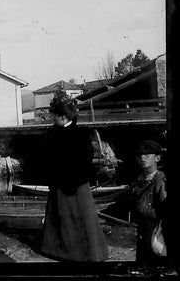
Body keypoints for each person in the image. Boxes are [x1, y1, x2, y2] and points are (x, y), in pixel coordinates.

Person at [40, 90, 109, 262]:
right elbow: (48, 159)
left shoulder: (80, 135)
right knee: (61, 220)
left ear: (63, 117)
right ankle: (59, 252)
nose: (52, 118)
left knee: (82, 221)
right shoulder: (52, 134)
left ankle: (87, 253)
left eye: (54, 115)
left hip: (76, 186)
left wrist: (70, 180)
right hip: (58, 185)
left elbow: (85, 161)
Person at [129, 140, 167, 265]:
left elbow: (165, 205)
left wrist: (160, 227)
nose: (142, 158)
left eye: (147, 155)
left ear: (157, 158)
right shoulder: (138, 179)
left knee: (154, 259)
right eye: (139, 155)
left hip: (154, 225)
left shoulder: (160, 180)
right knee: (142, 259)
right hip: (141, 224)